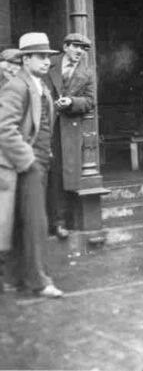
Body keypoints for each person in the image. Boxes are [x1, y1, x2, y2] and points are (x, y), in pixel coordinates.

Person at [0, 33, 63, 298]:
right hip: (24, 165)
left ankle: (14, 278)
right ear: (25, 59)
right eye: (41, 56)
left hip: (36, 162)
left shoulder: (38, 84)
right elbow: (4, 128)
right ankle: (39, 280)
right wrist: (28, 162)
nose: (47, 61)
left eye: (48, 56)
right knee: (36, 222)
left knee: (22, 222)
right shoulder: (18, 86)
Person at [45, 32, 95, 240]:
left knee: (61, 174)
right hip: (44, 123)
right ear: (65, 47)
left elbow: (90, 101)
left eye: (83, 49)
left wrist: (72, 102)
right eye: (75, 46)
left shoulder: (87, 72)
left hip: (68, 129)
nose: (79, 52)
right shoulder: (48, 63)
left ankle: (60, 222)